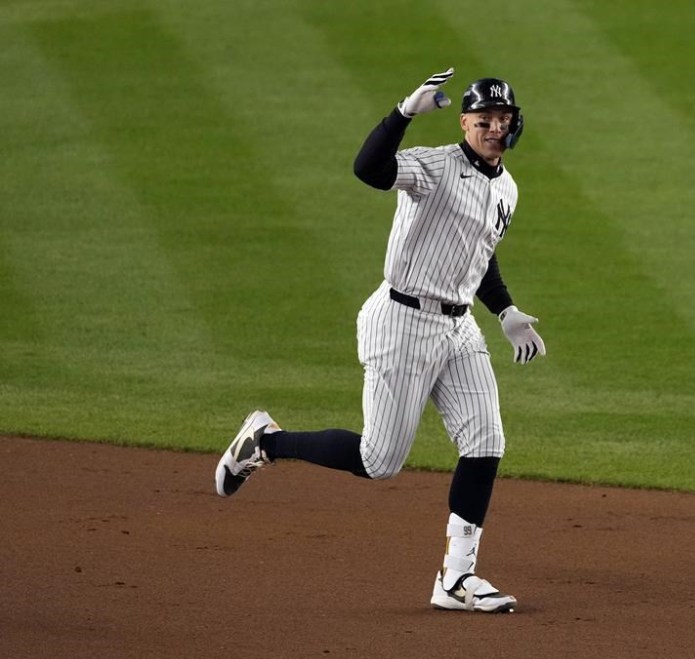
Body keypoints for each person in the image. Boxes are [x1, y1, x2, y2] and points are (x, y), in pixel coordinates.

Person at [214, 68, 545, 613]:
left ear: (514, 125)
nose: (493, 128)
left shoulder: (507, 186)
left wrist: (505, 309)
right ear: (465, 122)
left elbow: (477, 253)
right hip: (403, 321)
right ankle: (266, 442)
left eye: (501, 119)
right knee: (379, 460)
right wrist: (403, 113)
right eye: (483, 119)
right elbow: (368, 169)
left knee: (486, 442)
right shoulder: (433, 166)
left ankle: (456, 579)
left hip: (459, 328)